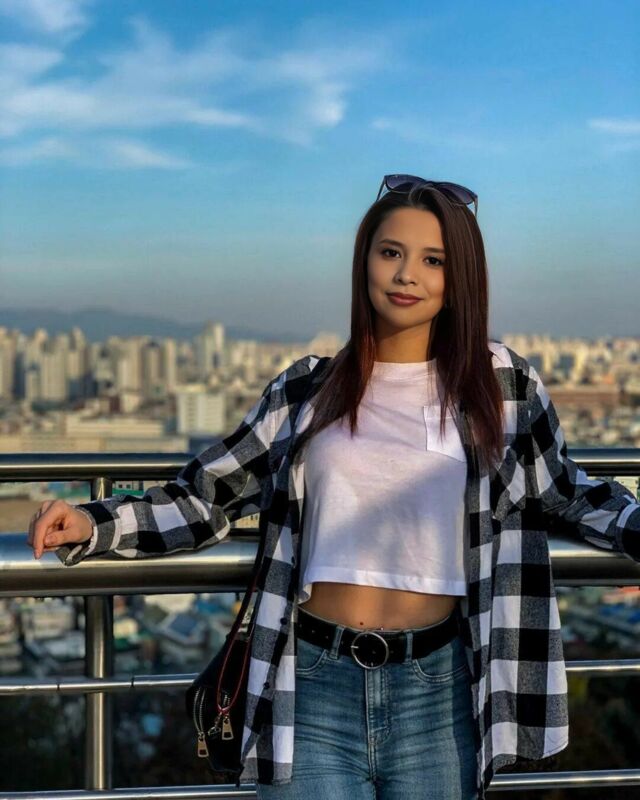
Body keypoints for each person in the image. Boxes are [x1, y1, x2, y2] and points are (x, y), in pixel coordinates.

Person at [28, 174, 640, 800]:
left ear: (461, 277)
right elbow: (206, 496)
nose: (407, 275)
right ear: (364, 260)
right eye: (391, 252)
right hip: (311, 684)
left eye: (433, 261)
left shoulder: (502, 384)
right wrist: (95, 522)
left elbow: (565, 492)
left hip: (441, 688)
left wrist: (632, 525)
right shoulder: (306, 389)